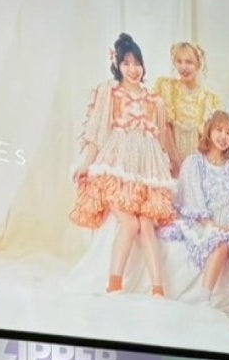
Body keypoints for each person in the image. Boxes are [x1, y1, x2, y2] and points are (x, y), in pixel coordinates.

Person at [69, 32, 178, 297]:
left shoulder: (155, 100)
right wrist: (86, 164)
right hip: (117, 168)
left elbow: (162, 141)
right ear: (117, 65)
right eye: (126, 63)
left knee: (146, 226)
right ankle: (114, 284)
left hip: (147, 172)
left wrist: (174, 168)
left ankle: (158, 290)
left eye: (137, 63)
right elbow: (97, 133)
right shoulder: (111, 93)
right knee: (129, 224)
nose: (133, 69)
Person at [162, 109, 229, 306]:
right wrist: (213, 225)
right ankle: (205, 300)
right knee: (220, 244)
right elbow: (194, 201)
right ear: (209, 131)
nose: (223, 137)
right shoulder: (194, 163)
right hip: (206, 222)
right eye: (219, 130)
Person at [153, 40, 220, 175]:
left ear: (198, 64)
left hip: (196, 160)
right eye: (179, 61)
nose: (183, 67)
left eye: (189, 62)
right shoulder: (167, 88)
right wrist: (174, 160)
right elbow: (161, 125)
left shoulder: (208, 98)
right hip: (169, 157)